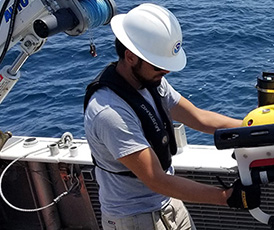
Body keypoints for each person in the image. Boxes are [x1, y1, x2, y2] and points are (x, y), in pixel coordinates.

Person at [82, 4, 257, 230]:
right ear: (130, 57)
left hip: (169, 204)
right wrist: (227, 196)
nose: (166, 72)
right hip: (135, 219)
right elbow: (156, 178)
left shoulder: (151, 81)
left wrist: (255, 129)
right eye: (159, 66)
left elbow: (199, 118)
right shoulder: (109, 112)